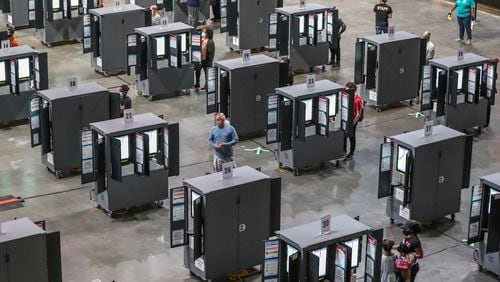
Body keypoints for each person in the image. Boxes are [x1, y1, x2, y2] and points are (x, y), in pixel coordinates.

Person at [345, 82, 364, 159]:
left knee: (351, 136)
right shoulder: (348, 97)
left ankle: (351, 153)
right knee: (344, 135)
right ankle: (344, 150)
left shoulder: (357, 100)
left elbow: (358, 114)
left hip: (353, 120)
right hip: (347, 117)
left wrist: (352, 124)